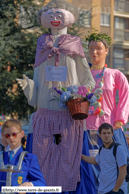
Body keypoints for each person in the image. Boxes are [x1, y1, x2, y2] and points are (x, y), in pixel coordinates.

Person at [16, 0, 96, 193]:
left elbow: (88, 79)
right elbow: (37, 79)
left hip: (70, 115)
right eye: (50, 15)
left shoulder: (75, 43)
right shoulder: (42, 43)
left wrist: (79, 95)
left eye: (59, 14)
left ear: (70, 17)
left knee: (73, 164)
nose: (55, 19)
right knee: (41, 165)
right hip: (44, 113)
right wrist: (30, 88)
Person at [83, 32, 129, 190]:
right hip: (87, 130)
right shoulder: (83, 76)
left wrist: (119, 120)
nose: (94, 52)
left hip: (109, 129)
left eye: (98, 48)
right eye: (91, 48)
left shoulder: (114, 74)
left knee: (113, 170)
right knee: (89, 170)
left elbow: (125, 95)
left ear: (106, 50)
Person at [0, 119, 46, 193]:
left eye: (14, 134)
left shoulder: (29, 158)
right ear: (3, 136)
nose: (11, 138)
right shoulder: (1, 157)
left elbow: (41, 183)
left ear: (22, 134)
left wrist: (30, 185)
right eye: (7, 135)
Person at [82, 123, 127, 194]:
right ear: (99, 134)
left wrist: (115, 190)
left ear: (112, 134)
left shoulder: (118, 148)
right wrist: (81, 156)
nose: (106, 136)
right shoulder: (102, 149)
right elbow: (94, 161)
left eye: (109, 133)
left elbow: (123, 172)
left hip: (115, 190)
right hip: (102, 190)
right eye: (104, 133)